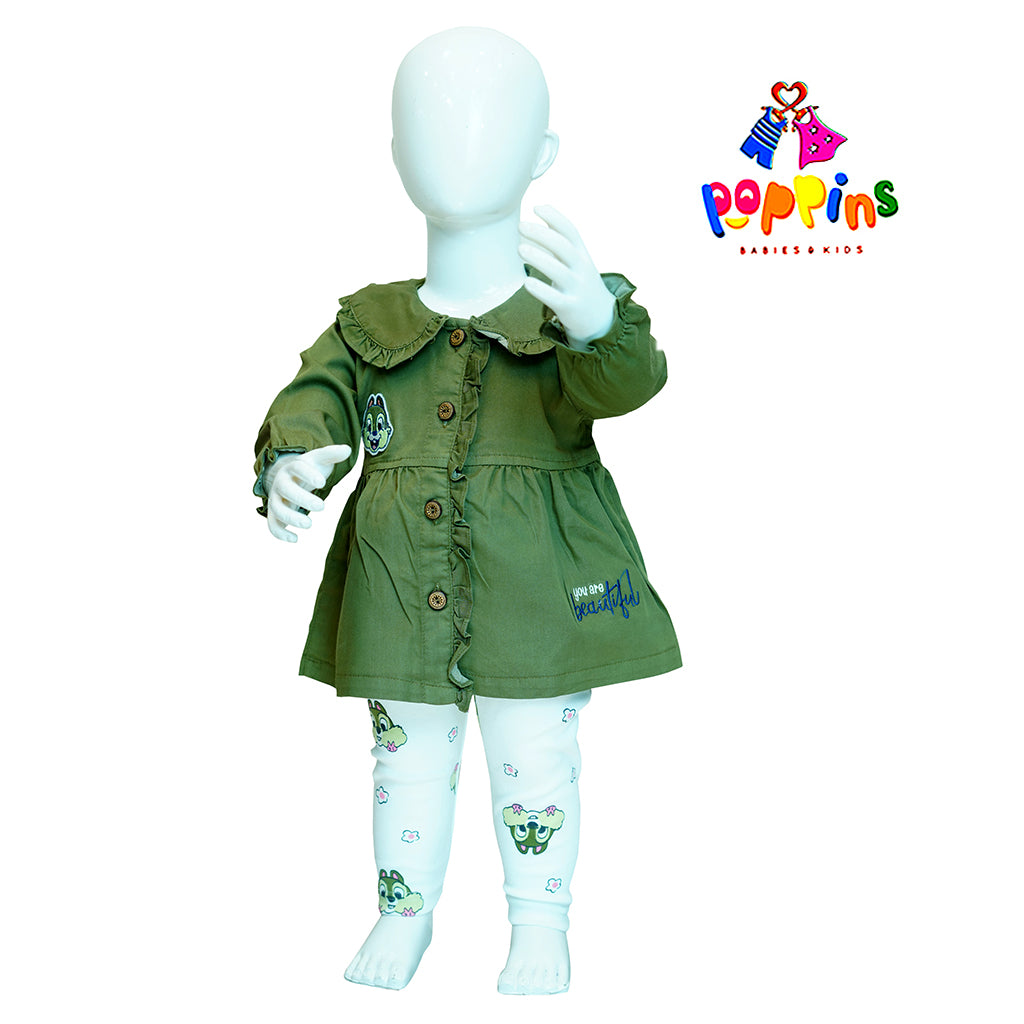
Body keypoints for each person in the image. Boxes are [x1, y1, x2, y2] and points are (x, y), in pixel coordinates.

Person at [254, 27, 680, 993]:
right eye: (430, 120)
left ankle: (540, 923)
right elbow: (314, 396)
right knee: (402, 761)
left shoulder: (569, 306)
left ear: (542, 154)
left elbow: (626, 386)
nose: (458, 138)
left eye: (491, 119)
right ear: (395, 153)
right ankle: (403, 913)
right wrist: (296, 457)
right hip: (399, 583)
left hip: (542, 588)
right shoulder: (369, 321)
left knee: (537, 760)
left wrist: (601, 327)